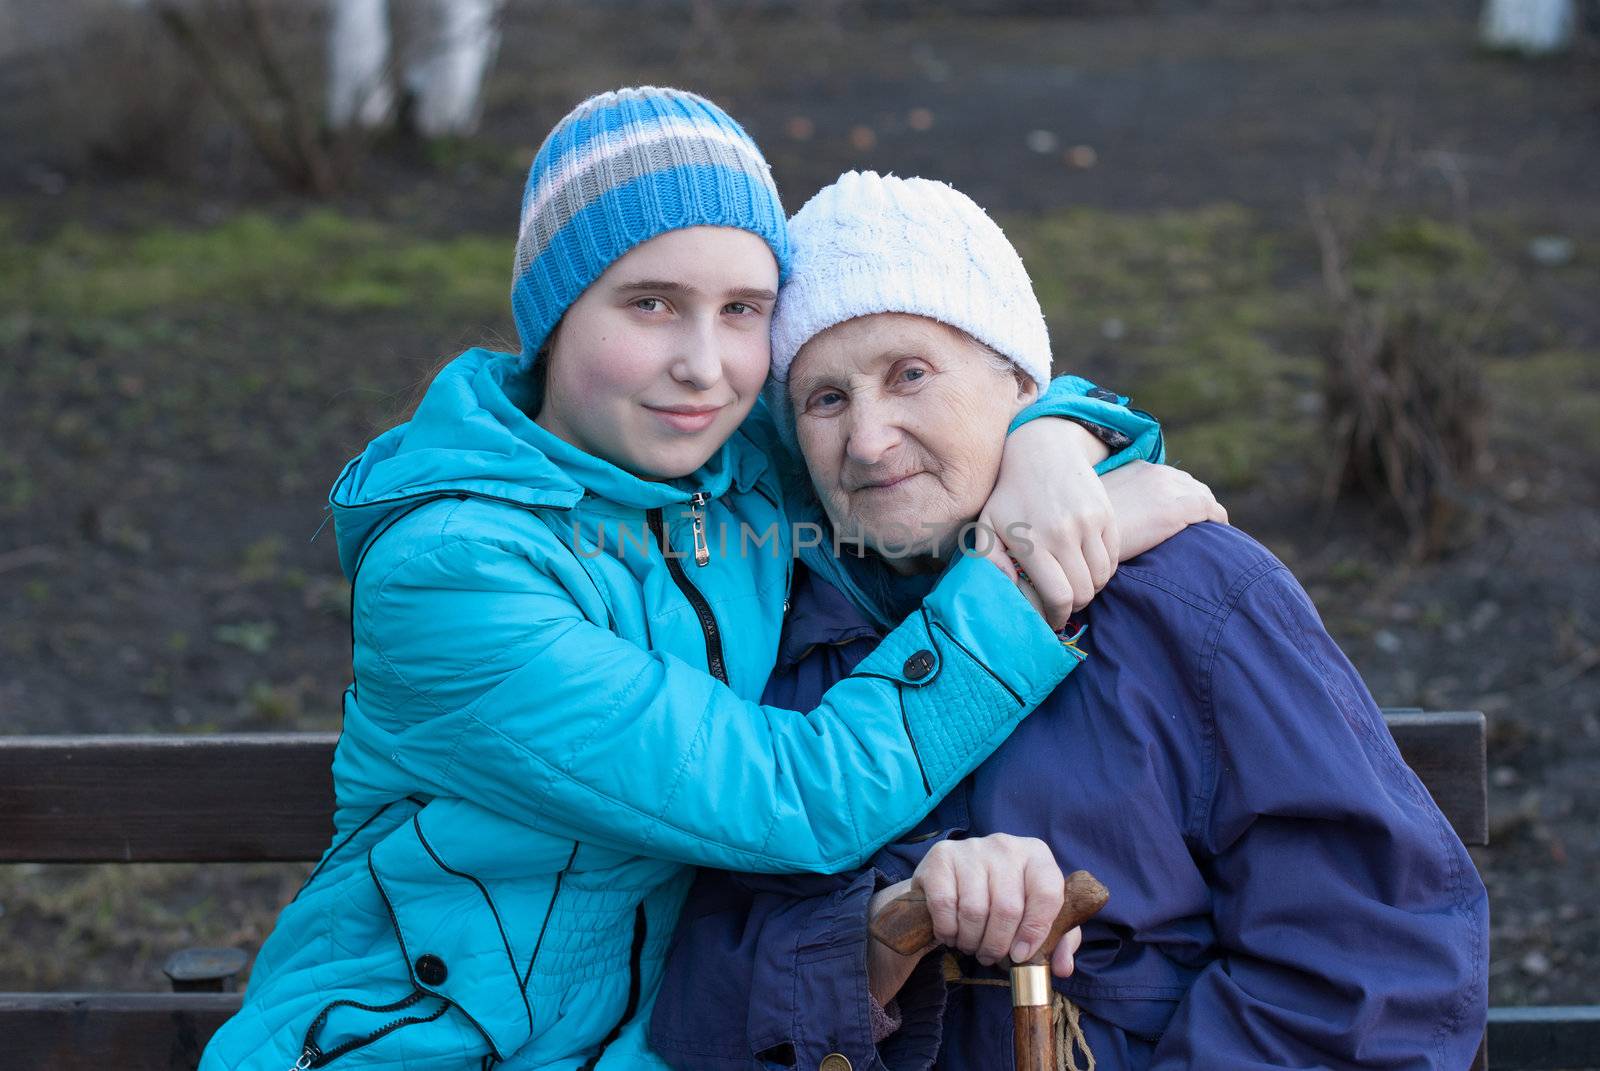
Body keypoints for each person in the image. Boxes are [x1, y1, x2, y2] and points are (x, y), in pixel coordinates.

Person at [199, 90, 1185, 1071]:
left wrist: (1051, 437)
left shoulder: (734, 470)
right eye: (651, 304)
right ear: (553, 315)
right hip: (411, 1047)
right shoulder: (454, 571)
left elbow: (949, 397)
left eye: (743, 311)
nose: (705, 367)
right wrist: (1021, 586)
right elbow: (791, 798)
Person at [648, 172, 1489, 1071]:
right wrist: (876, 931)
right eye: (825, 398)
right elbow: (689, 1000)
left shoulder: (1192, 599)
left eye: (911, 374)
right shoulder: (765, 648)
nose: (868, 438)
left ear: (1017, 382)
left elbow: (1370, 962)